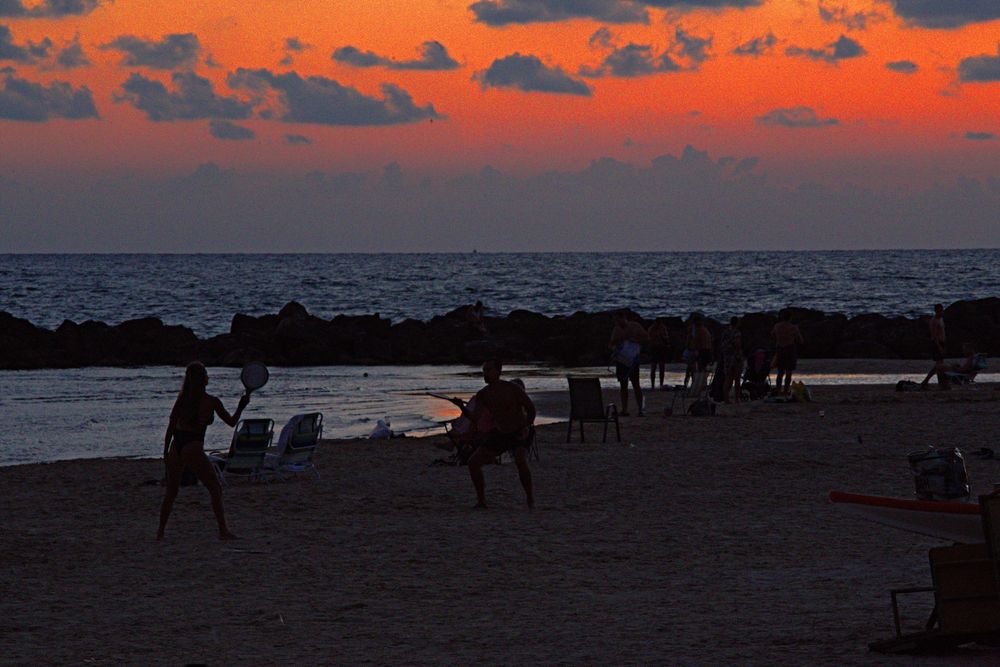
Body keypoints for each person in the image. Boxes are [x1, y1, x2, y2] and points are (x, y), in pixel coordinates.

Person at [157, 361, 249, 540]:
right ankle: (223, 531)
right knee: (215, 488)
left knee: (172, 492)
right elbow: (231, 422)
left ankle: (160, 532)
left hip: (177, 445)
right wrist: (241, 407)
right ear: (204, 379)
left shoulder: (181, 400)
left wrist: (165, 454)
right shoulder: (212, 401)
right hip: (193, 446)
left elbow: (170, 428)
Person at [453, 359, 535, 508]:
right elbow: (475, 418)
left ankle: (530, 499)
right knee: (473, 463)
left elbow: (530, 408)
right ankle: (481, 501)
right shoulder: (483, 394)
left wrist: (527, 426)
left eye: (488, 370)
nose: (485, 374)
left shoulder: (512, 389)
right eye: (483, 371)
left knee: (520, 460)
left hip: (519, 431)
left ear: (498, 371)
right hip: (500, 433)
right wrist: (461, 407)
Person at [609, 311, 648, 416]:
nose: (616, 322)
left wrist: (634, 339)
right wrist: (619, 342)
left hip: (633, 360)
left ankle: (640, 409)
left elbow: (645, 338)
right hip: (622, 360)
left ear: (623, 317)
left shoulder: (635, 326)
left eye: (617, 320)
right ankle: (625, 409)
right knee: (623, 385)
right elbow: (611, 344)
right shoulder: (616, 329)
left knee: (636, 384)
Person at [771, 310, 804, 396]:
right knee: (789, 372)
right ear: (790, 318)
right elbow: (800, 340)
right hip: (790, 349)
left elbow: (772, 334)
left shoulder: (777, 326)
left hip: (780, 348)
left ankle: (778, 390)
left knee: (780, 371)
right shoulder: (793, 327)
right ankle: (785, 391)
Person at [920, 303, 949, 390]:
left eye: (942, 310)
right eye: (939, 310)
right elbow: (934, 335)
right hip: (937, 343)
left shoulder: (941, 319)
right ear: (936, 311)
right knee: (939, 365)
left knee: (940, 365)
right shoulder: (934, 321)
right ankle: (930, 382)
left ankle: (940, 383)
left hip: (942, 342)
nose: (941, 312)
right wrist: (939, 346)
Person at [720, 317, 744, 403]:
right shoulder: (737, 332)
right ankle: (737, 399)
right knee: (737, 379)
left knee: (728, 378)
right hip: (735, 357)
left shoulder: (725, 332)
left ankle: (726, 398)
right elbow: (737, 344)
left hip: (727, 357)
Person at [647, 319, 670, 390]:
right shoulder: (651, 329)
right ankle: (653, 385)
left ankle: (661, 384)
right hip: (654, 348)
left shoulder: (662, 328)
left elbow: (666, 338)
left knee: (661, 367)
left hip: (660, 348)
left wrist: (663, 338)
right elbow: (649, 338)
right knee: (654, 368)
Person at [682, 314, 698, 388]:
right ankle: (692, 383)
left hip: (691, 350)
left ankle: (688, 383)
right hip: (693, 350)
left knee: (690, 368)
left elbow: (689, 338)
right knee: (692, 368)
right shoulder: (695, 329)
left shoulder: (692, 328)